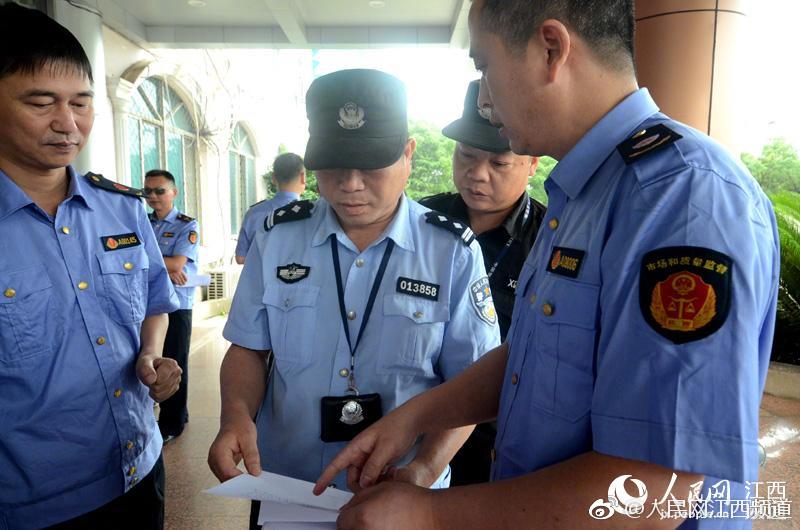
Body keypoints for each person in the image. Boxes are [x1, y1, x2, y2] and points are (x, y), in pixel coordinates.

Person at [315, 2, 780, 529]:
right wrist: (415, 417)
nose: (484, 100)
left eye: (484, 66)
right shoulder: (583, 192)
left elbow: (654, 490)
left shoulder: (680, 199)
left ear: (551, 50)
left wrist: (428, 516)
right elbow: (534, 355)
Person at [207, 68, 501, 528]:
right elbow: (248, 347)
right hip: (287, 488)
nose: (350, 184)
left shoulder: (451, 253)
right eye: (334, 165)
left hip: (400, 494)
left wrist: (424, 471)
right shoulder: (277, 238)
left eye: (369, 165)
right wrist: (235, 416)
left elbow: (472, 382)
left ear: (408, 154)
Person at [0, 4, 181, 528]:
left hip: (138, 467)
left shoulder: (122, 209)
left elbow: (154, 300)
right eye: (41, 103)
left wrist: (151, 355)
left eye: (81, 103)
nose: (68, 123)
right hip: (32, 503)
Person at [420, 79, 545, 486]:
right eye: (466, 155)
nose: (477, 174)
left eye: (499, 164)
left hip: (500, 441)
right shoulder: (420, 225)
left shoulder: (551, 241)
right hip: (416, 428)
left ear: (531, 163)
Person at [144, 169, 200, 442]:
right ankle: (158, 414)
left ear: (174, 192)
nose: (153, 197)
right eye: (148, 192)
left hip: (177, 303)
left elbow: (178, 264)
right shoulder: (142, 221)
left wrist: (149, 261)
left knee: (174, 361)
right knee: (150, 358)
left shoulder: (186, 225)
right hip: (147, 302)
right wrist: (166, 266)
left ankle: (172, 423)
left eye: (160, 191)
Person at [235, 152, 307, 264]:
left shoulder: (253, 213)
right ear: (302, 177)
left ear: (273, 178)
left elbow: (240, 258)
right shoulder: (311, 214)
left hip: (259, 275)